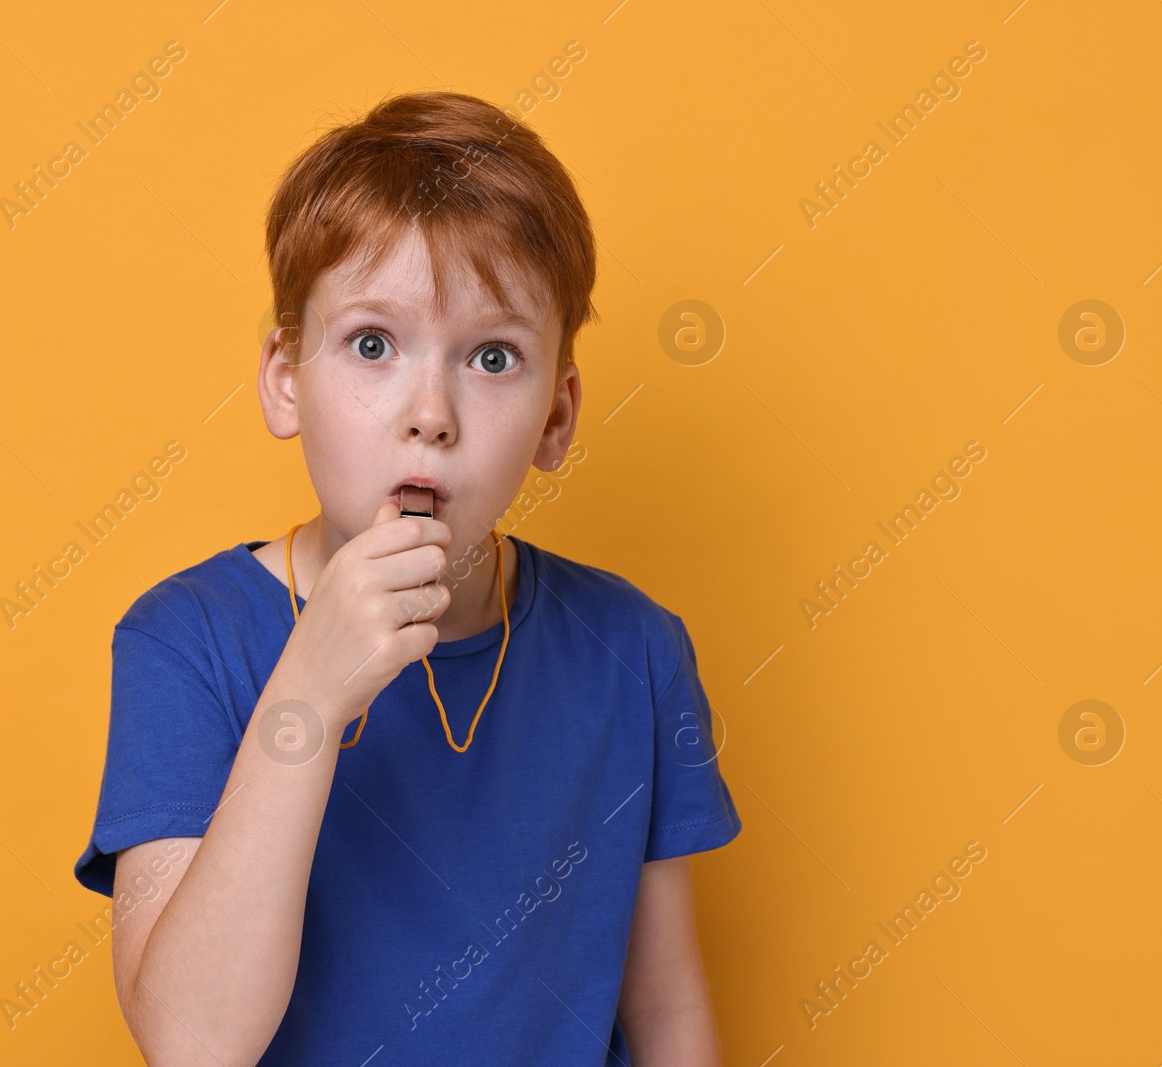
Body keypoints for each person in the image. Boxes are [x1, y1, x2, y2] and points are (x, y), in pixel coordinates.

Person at [72, 88, 741, 1066]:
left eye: (492, 355)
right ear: (286, 375)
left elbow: (667, 1009)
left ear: (556, 417)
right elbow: (192, 1038)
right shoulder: (186, 638)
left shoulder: (631, 649)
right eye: (373, 344)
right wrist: (308, 688)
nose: (430, 412)